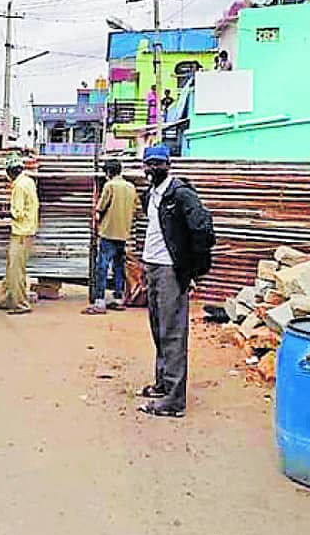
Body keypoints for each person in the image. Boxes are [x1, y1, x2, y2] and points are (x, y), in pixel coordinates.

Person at [137, 145, 214, 418]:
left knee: (173, 333)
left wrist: (193, 269)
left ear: (168, 165)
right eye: (148, 164)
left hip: (171, 270)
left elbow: (202, 228)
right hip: (153, 266)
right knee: (159, 329)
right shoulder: (150, 195)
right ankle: (162, 384)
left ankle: (174, 400)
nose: (152, 169)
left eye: (158, 164)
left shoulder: (181, 194)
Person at [82, 159, 137, 315]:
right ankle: (118, 298)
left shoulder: (110, 186)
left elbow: (100, 208)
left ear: (108, 172)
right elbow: (135, 208)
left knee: (102, 266)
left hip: (108, 232)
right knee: (119, 266)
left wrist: (95, 221)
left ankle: (99, 301)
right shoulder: (130, 187)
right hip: (123, 233)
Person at [0, 153, 39, 315]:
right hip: (27, 230)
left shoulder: (19, 186)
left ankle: (21, 304)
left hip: (21, 232)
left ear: (11, 170)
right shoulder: (28, 181)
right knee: (11, 268)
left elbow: (17, 212)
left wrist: (2, 213)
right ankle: (6, 298)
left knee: (16, 271)